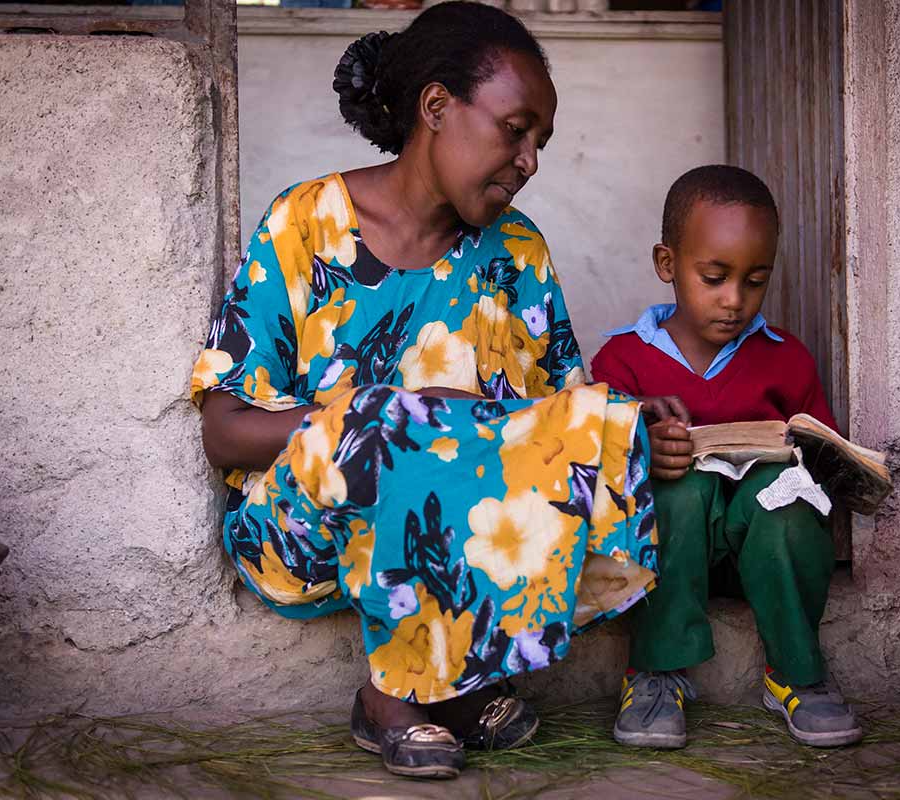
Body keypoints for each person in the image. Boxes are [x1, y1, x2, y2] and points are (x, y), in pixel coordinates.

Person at [191, 2, 658, 779]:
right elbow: (226, 430)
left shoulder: (515, 252)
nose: (531, 160)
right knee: (398, 421)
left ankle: (455, 674)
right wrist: (380, 419)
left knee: (599, 422)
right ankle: (395, 695)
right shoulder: (304, 224)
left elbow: (549, 427)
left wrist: (634, 424)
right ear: (437, 107)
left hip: (467, 536)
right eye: (516, 130)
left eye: (540, 140)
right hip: (307, 530)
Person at [590, 165, 862, 750]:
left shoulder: (786, 358)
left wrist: (817, 464)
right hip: (674, 550)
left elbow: (821, 448)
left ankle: (795, 672)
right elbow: (595, 458)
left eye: (755, 281)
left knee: (785, 501)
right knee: (677, 490)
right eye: (714, 277)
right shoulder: (624, 361)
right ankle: (656, 673)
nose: (734, 300)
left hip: (762, 551)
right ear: (668, 265)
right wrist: (642, 433)